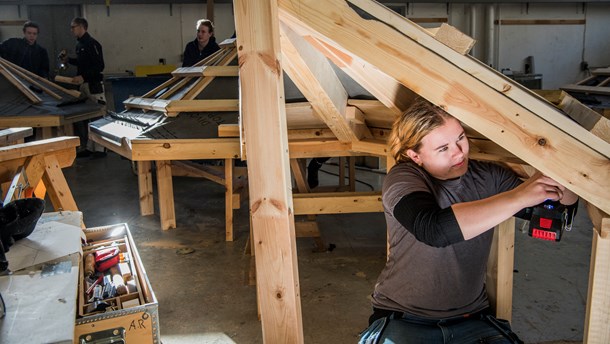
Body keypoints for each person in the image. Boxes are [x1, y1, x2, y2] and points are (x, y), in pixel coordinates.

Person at [359, 98, 578, 344]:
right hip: (404, 317)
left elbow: (556, 208)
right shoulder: (403, 178)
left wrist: (566, 174)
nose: (459, 153)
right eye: (443, 149)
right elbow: (433, 229)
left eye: (460, 138)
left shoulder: (489, 178)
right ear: (415, 155)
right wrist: (518, 197)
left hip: (471, 319)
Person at [61, 17, 106, 157]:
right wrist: (69, 60)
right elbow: (83, 63)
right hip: (83, 85)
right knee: (87, 116)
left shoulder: (92, 44)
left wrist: (84, 77)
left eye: (73, 27)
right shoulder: (79, 45)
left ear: (81, 27)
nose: (71, 30)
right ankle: (90, 147)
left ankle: (100, 149)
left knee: (98, 116)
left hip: (93, 85)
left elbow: (100, 66)